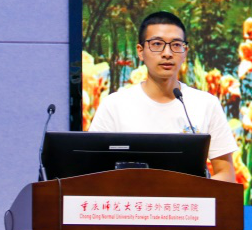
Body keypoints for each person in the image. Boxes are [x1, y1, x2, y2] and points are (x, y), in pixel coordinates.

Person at [89, 11, 238, 182]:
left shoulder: (206, 104)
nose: (167, 53)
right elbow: (92, 172)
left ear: (185, 52)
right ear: (140, 51)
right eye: (157, 44)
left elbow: (226, 174)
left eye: (176, 45)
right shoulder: (114, 105)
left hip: (189, 198)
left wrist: (193, 192)